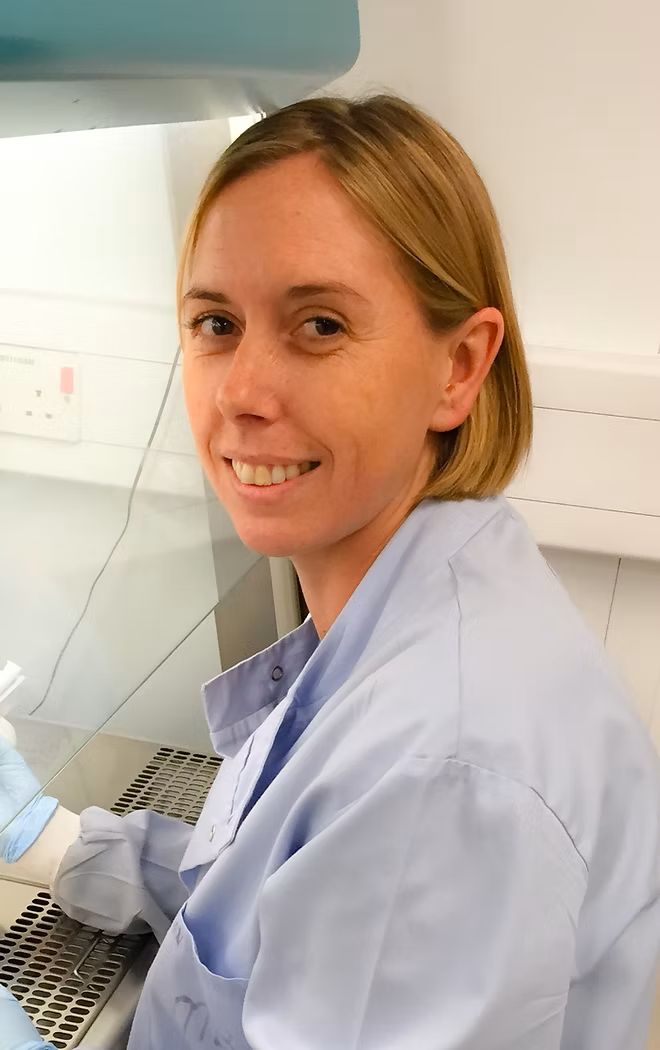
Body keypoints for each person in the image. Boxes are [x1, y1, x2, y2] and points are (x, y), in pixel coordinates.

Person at [1, 94, 659, 1050]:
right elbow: (279, 900)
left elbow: (384, 857)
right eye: (216, 322)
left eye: (318, 326)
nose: (241, 392)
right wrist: (55, 842)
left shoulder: (446, 772)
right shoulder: (408, 602)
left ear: (459, 367)